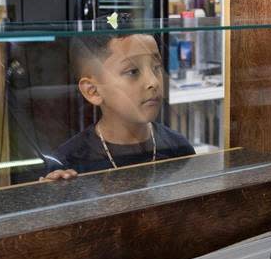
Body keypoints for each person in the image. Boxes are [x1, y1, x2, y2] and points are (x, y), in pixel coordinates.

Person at [40, 34, 194, 178]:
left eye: (156, 67)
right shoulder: (68, 163)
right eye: (133, 71)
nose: (153, 82)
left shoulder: (179, 148)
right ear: (93, 91)